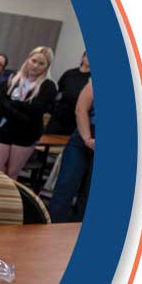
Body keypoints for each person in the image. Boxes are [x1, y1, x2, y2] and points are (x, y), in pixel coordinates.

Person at [0, 46, 57, 179]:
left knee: (11, 173)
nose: (36, 66)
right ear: (28, 60)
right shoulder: (12, 78)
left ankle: (7, 199)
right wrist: (21, 107)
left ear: (47, 66)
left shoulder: (48, 86)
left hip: (27, 134)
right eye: (33, 61)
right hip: (5, 130)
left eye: (41, 63)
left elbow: (34, 112)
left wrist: (11, 104)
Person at [47, 80, 95, 222]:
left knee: (90, 195)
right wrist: (87, 138)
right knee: (64, 188)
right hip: (82, 136)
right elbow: (81, 109)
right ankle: (48, 232)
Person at [45, 52, 91, 135]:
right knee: (47, 138)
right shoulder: (69, 73)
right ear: (83, 57)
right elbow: (56, 91)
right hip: (60, 115)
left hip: (77, 118)